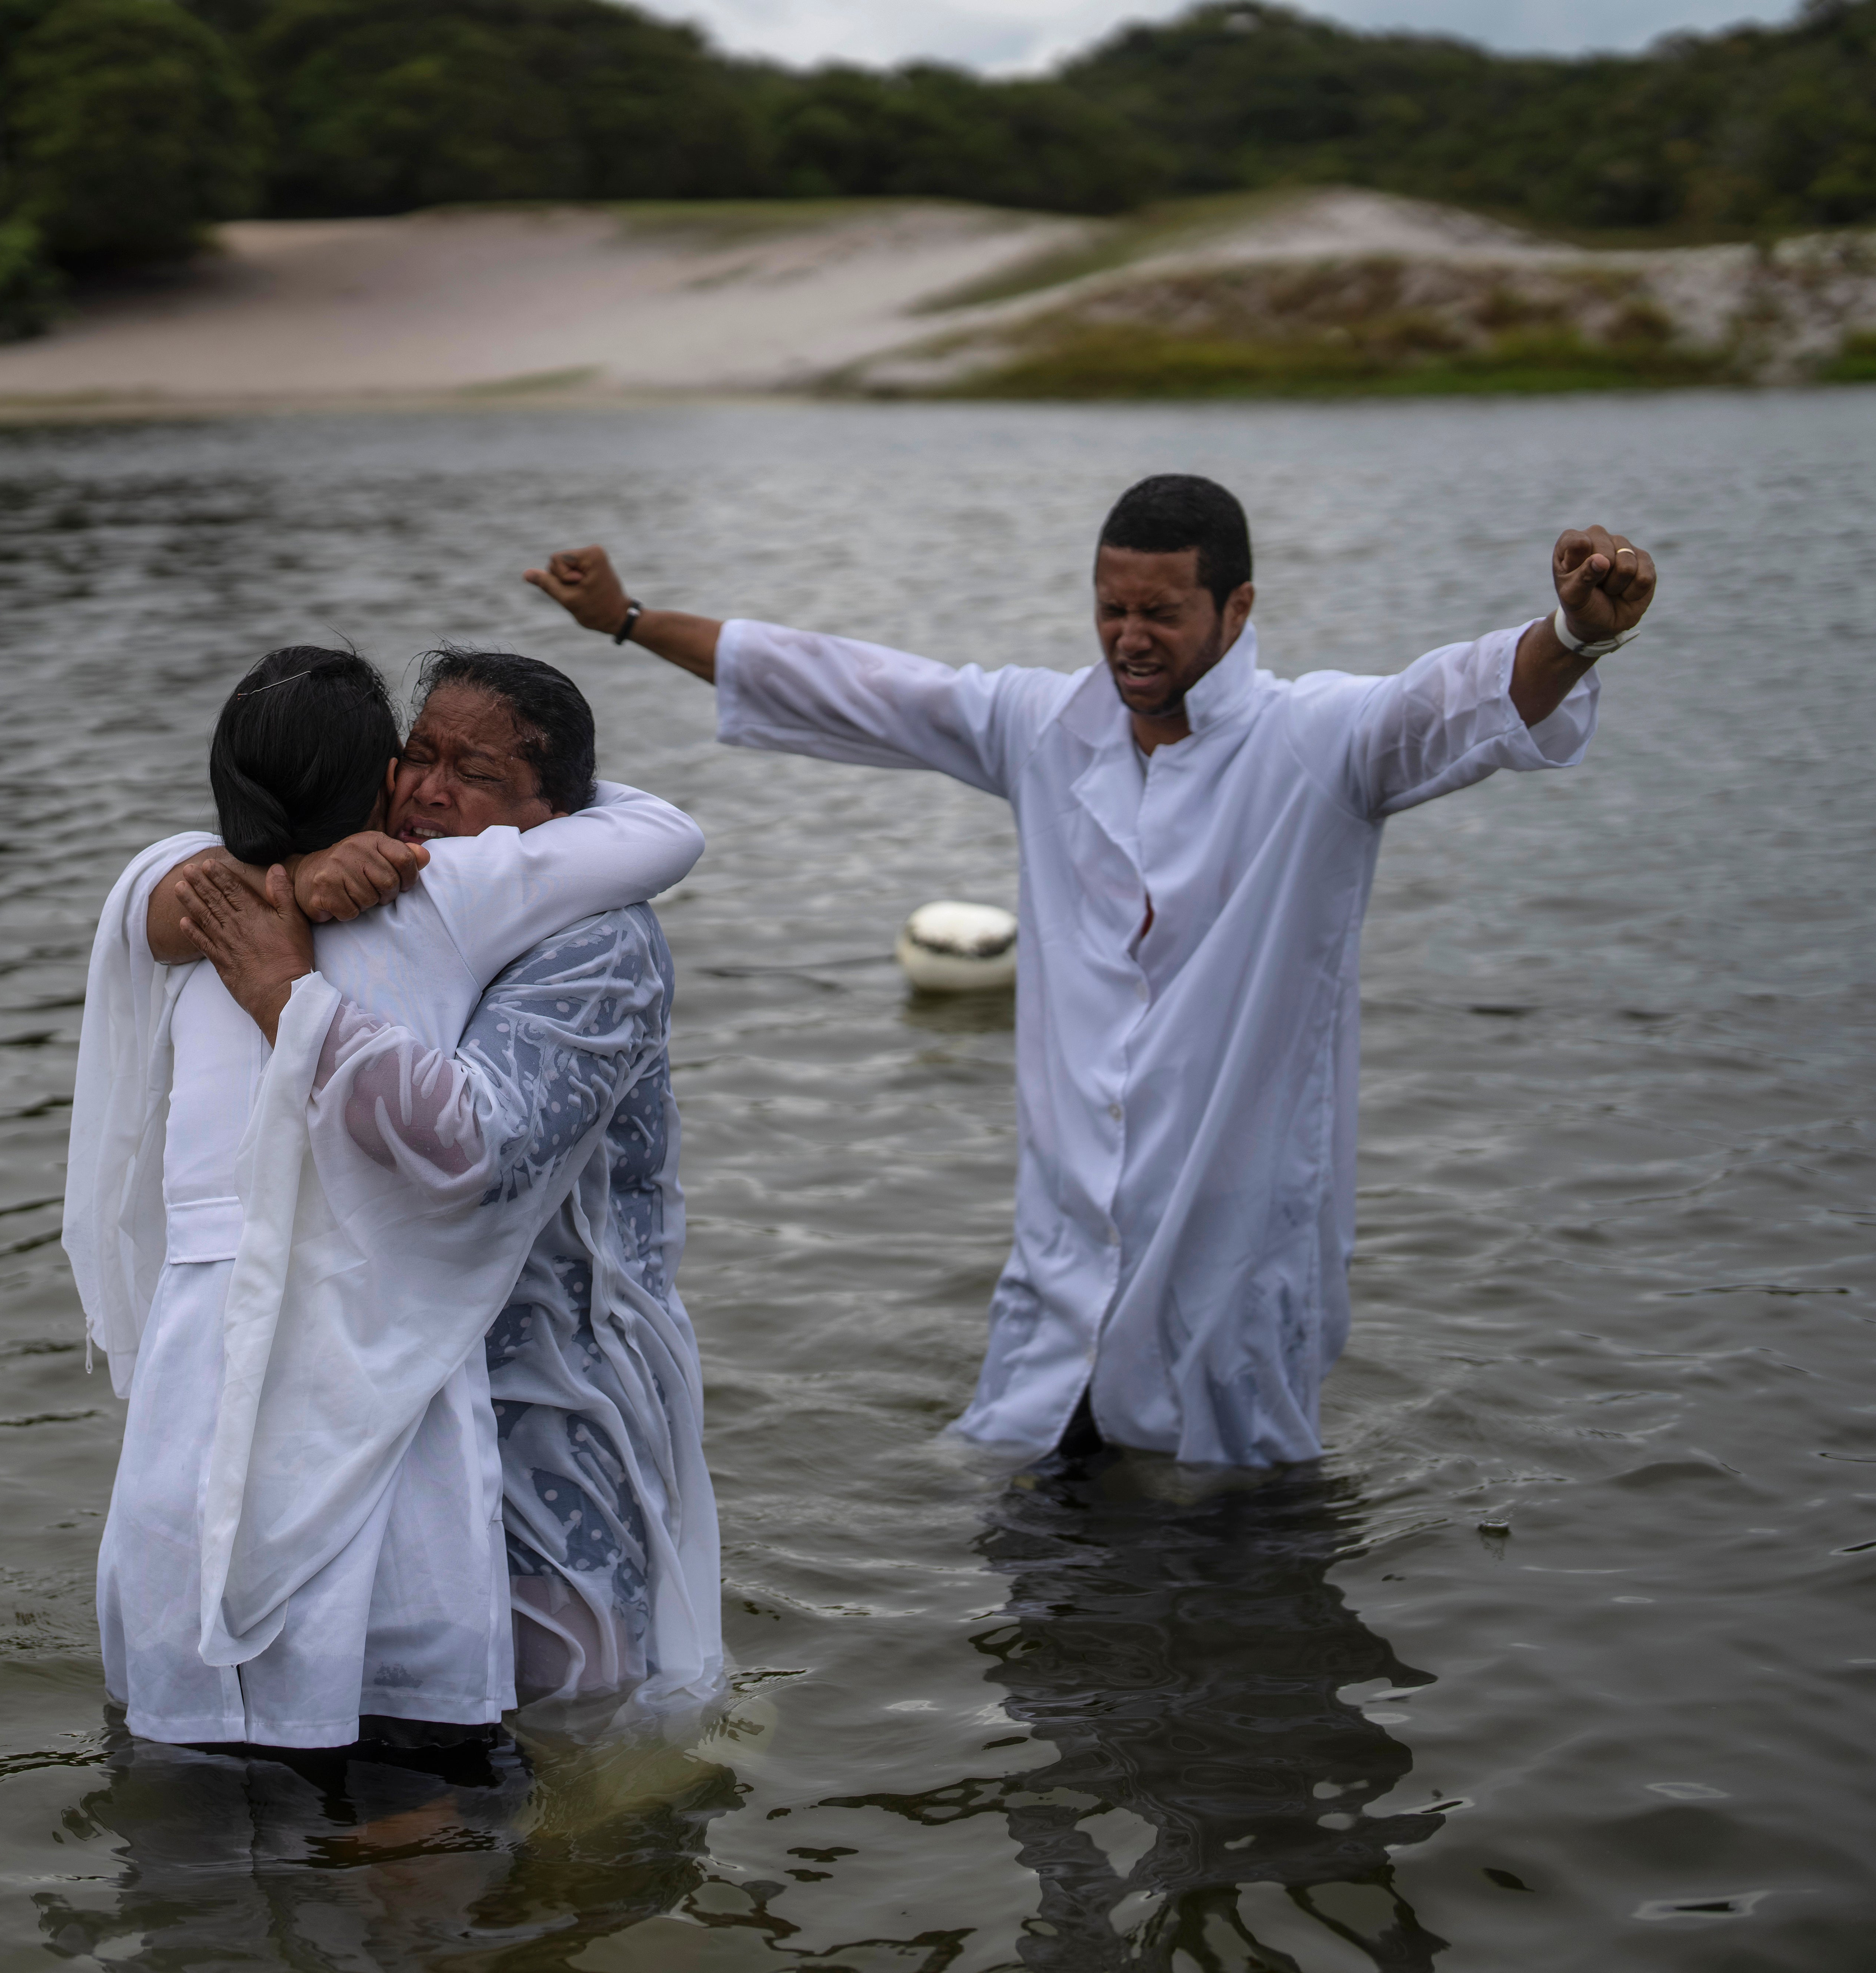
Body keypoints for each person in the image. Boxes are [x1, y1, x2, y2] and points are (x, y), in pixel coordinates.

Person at [523, 476, 1659, 1468]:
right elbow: (852, 685)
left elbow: (1458, 701)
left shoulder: (1319, 743)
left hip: (1235, 1256)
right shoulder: (1045, 724)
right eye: (1112, 609)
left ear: (1239, 607)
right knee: (1028, 1541)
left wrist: (1571, 635)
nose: (1129, 637)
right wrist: (627, 619)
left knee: (1232, 1549)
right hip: (1063, 1255)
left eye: (1162, 612)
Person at [65, 645, 715, 1761]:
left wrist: (286, 993)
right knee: (390, 1704)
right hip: (393, 1351)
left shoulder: (593, 938)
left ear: (553, 816)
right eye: (418, 757)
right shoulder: (319, 888)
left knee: (576, 1723)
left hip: (552, 1380)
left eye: (473, 774)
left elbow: (475, 1143)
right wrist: (277, 894)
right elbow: (165, 885)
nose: (426, 791)